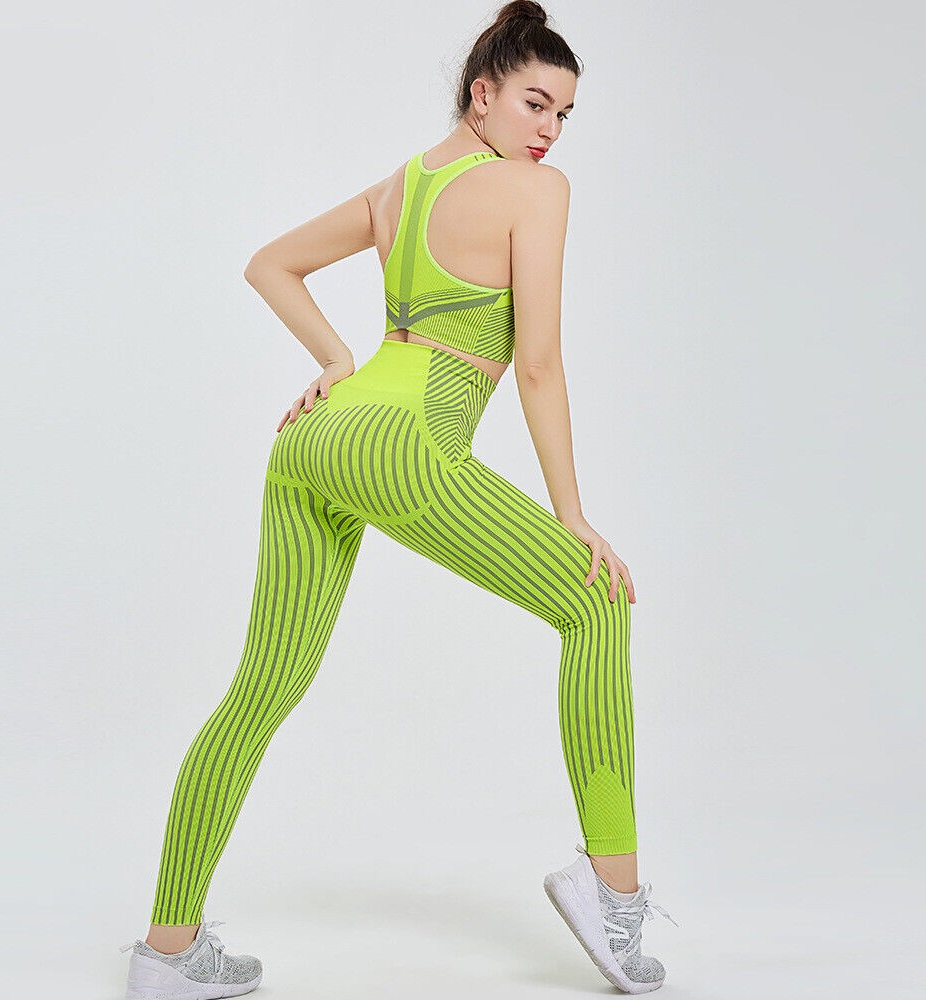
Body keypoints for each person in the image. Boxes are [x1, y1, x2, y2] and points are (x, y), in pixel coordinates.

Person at [120, 3, 677, 997]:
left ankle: (167, 951)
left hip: (314, 441)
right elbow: (538, 364)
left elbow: (269, 263)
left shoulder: (398, 186)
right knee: (596, 602)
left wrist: (337, 359)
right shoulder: (533, 191)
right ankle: (613, 889)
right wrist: (572, 515)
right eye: (535, 103)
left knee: (258, 689)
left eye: (564, 114)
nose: (550, 130)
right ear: (483, 94)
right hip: (401, 445)